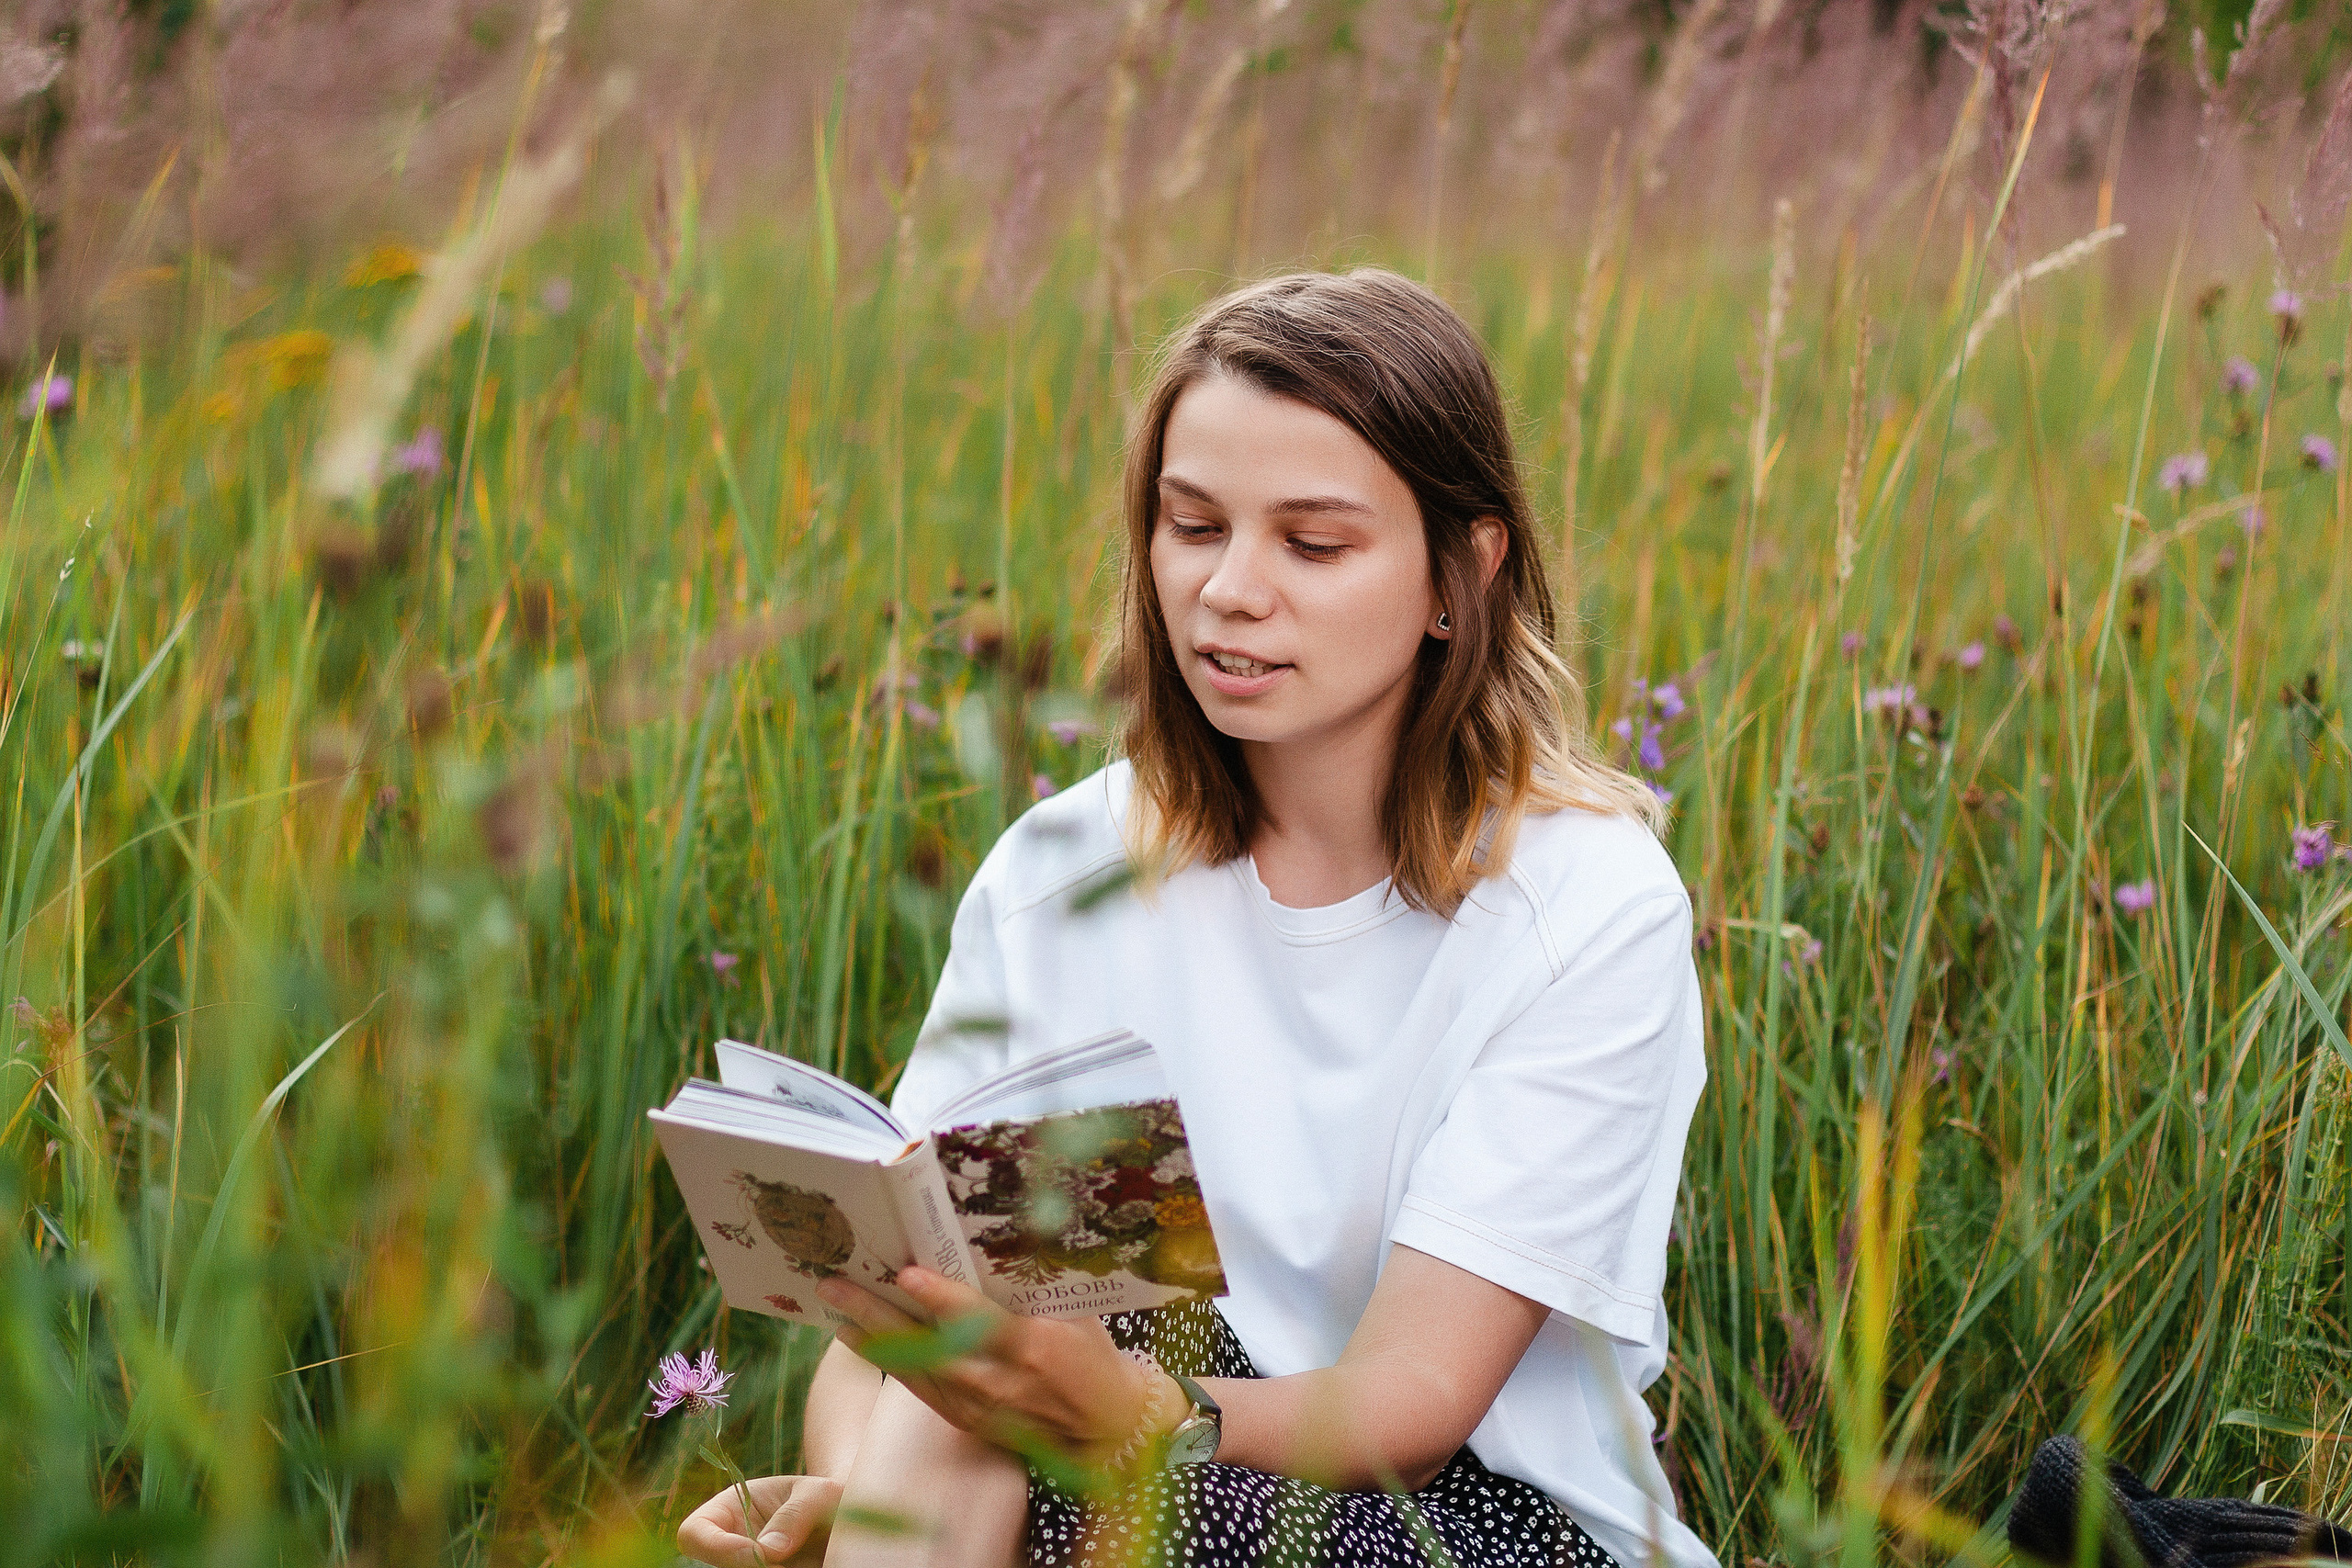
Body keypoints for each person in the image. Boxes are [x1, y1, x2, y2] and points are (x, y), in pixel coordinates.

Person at [679, 268, 1716, 1568]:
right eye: (1193, 526)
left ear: (1462, 571)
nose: (1231, 589)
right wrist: (854, 1490)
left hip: (1478, 1522)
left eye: (1313, 543)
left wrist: (1139, 1419)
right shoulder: (1067, 869)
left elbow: (1411, 1408)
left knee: (1073, 1461)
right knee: (979, 1384)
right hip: (1117, 1451)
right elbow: (900, 1331)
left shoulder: (1581, 903)